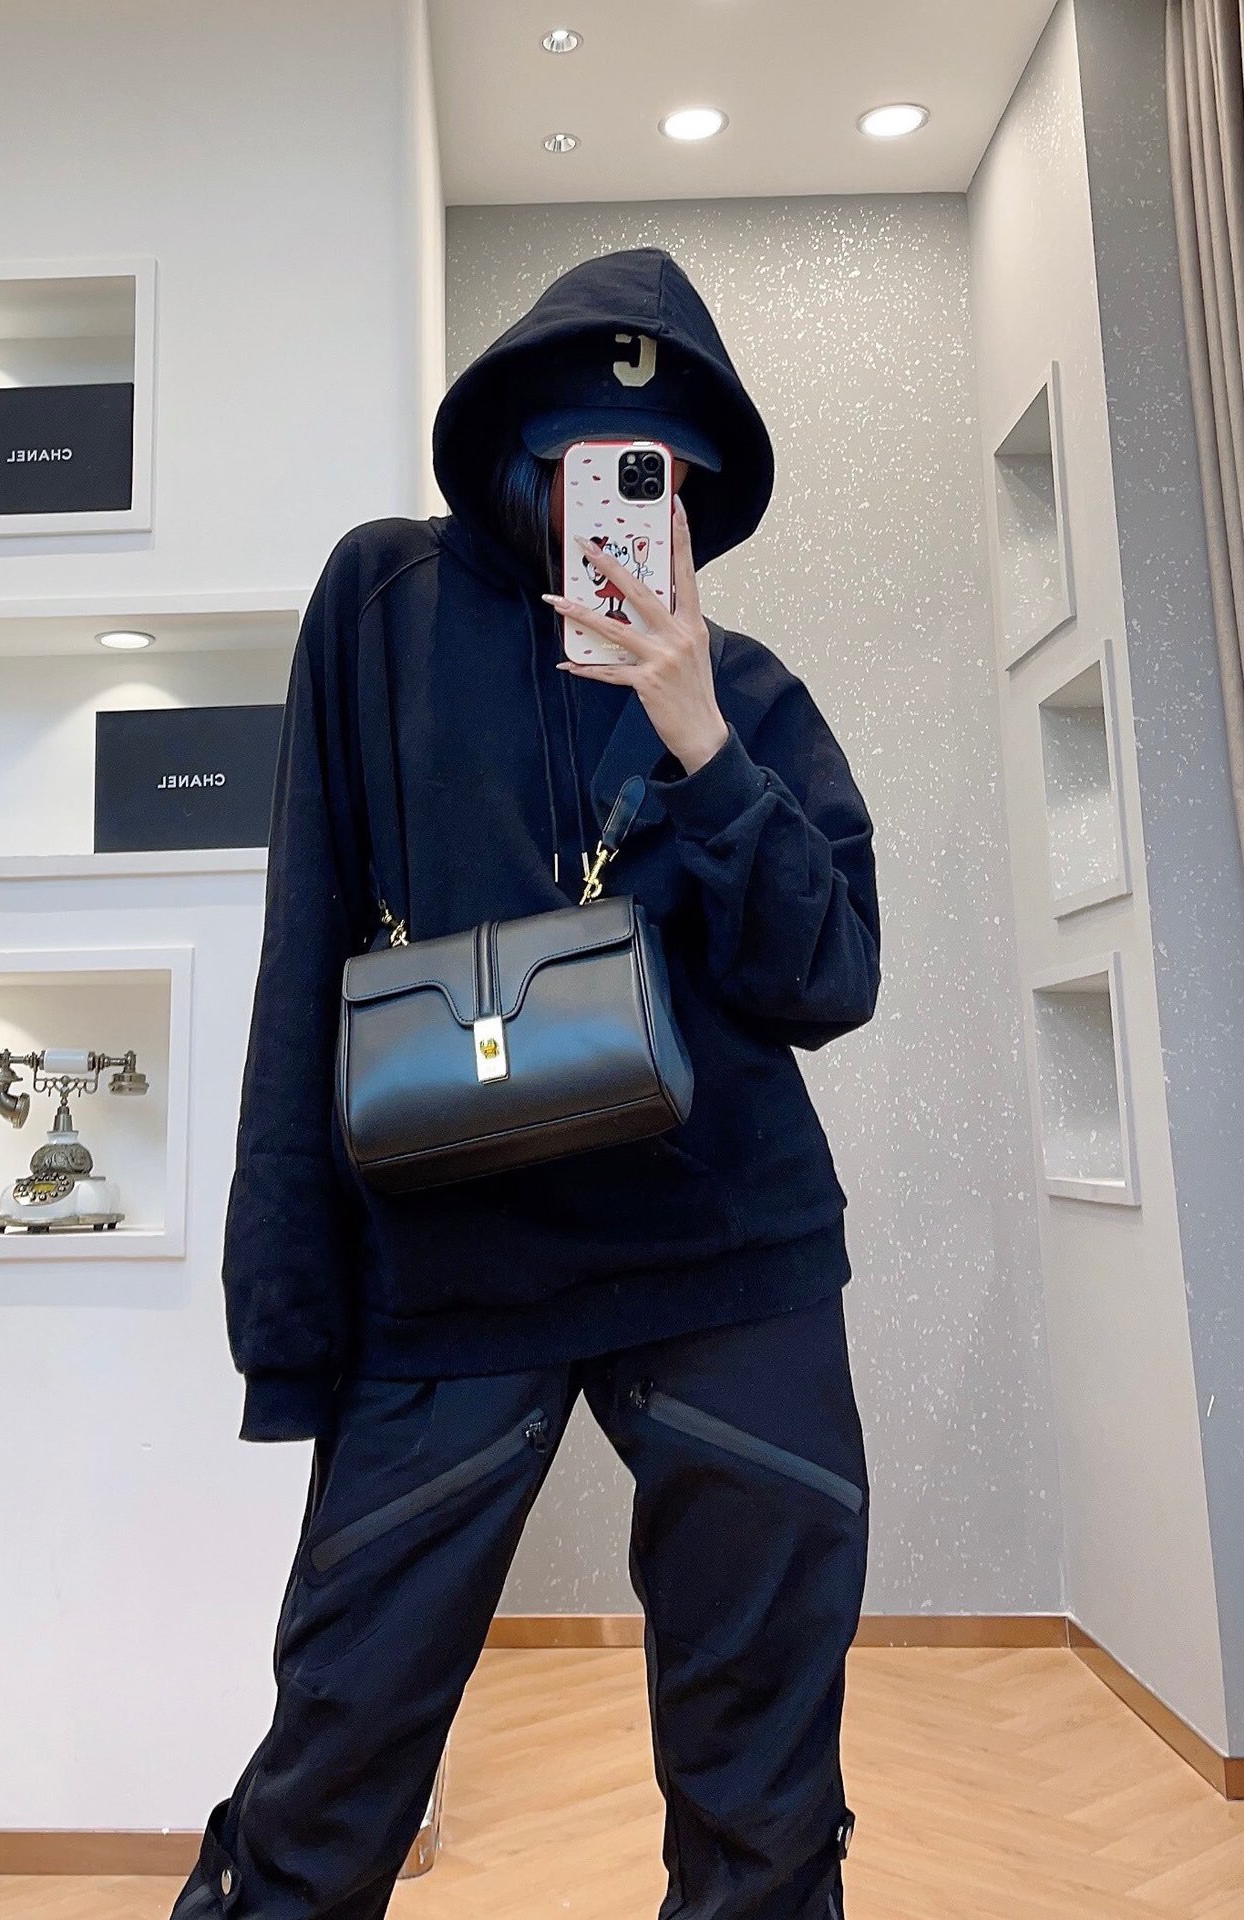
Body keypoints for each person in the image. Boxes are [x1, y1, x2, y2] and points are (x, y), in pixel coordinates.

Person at [170, 247, 881, 1920]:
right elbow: (305, 954)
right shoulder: (383, 608)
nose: (627, 504)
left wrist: (700, 740)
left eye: (664, 479)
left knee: (766, 1800)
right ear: (519, 456)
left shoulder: (746, 692)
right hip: (453, 1272)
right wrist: (289, 1315)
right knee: (331, 1764)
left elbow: (830, 981)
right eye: (592, 460)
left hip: (729, 1264)